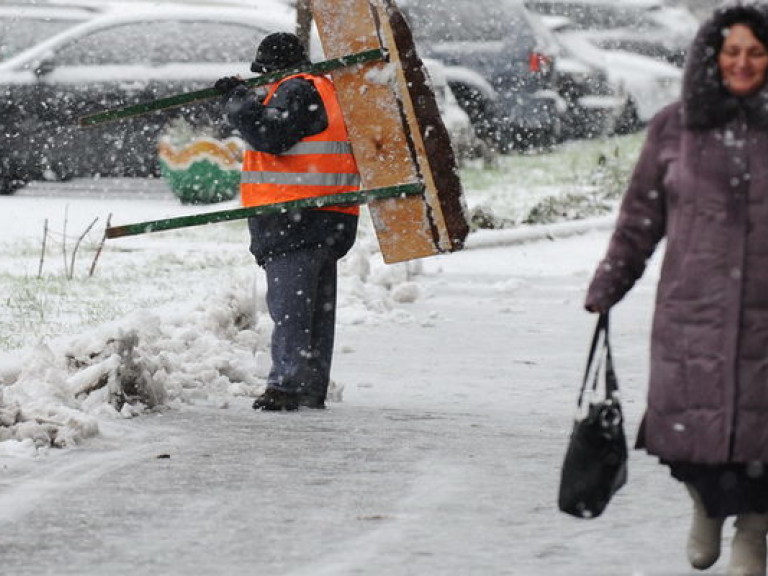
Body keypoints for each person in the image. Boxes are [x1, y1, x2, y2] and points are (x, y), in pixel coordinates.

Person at [584, 4, 768, 575]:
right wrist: (611, 281)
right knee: (694, 436)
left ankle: (754, 536)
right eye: (732, 51)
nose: (743, 63)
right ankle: (705, 506)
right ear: (713, 58)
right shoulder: (675, 125)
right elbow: (640, 218)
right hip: (696, 314)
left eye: (757, 53)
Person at [214, 32, 361, 411]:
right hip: (328, 215)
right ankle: (309, 386)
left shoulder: (295, 89)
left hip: (294, 216)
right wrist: (244, 100)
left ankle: (286, 386)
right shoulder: (322, 88)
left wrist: (238, 102)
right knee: (315, 310)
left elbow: (271, 134)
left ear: (271, 68)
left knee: (291, 310)